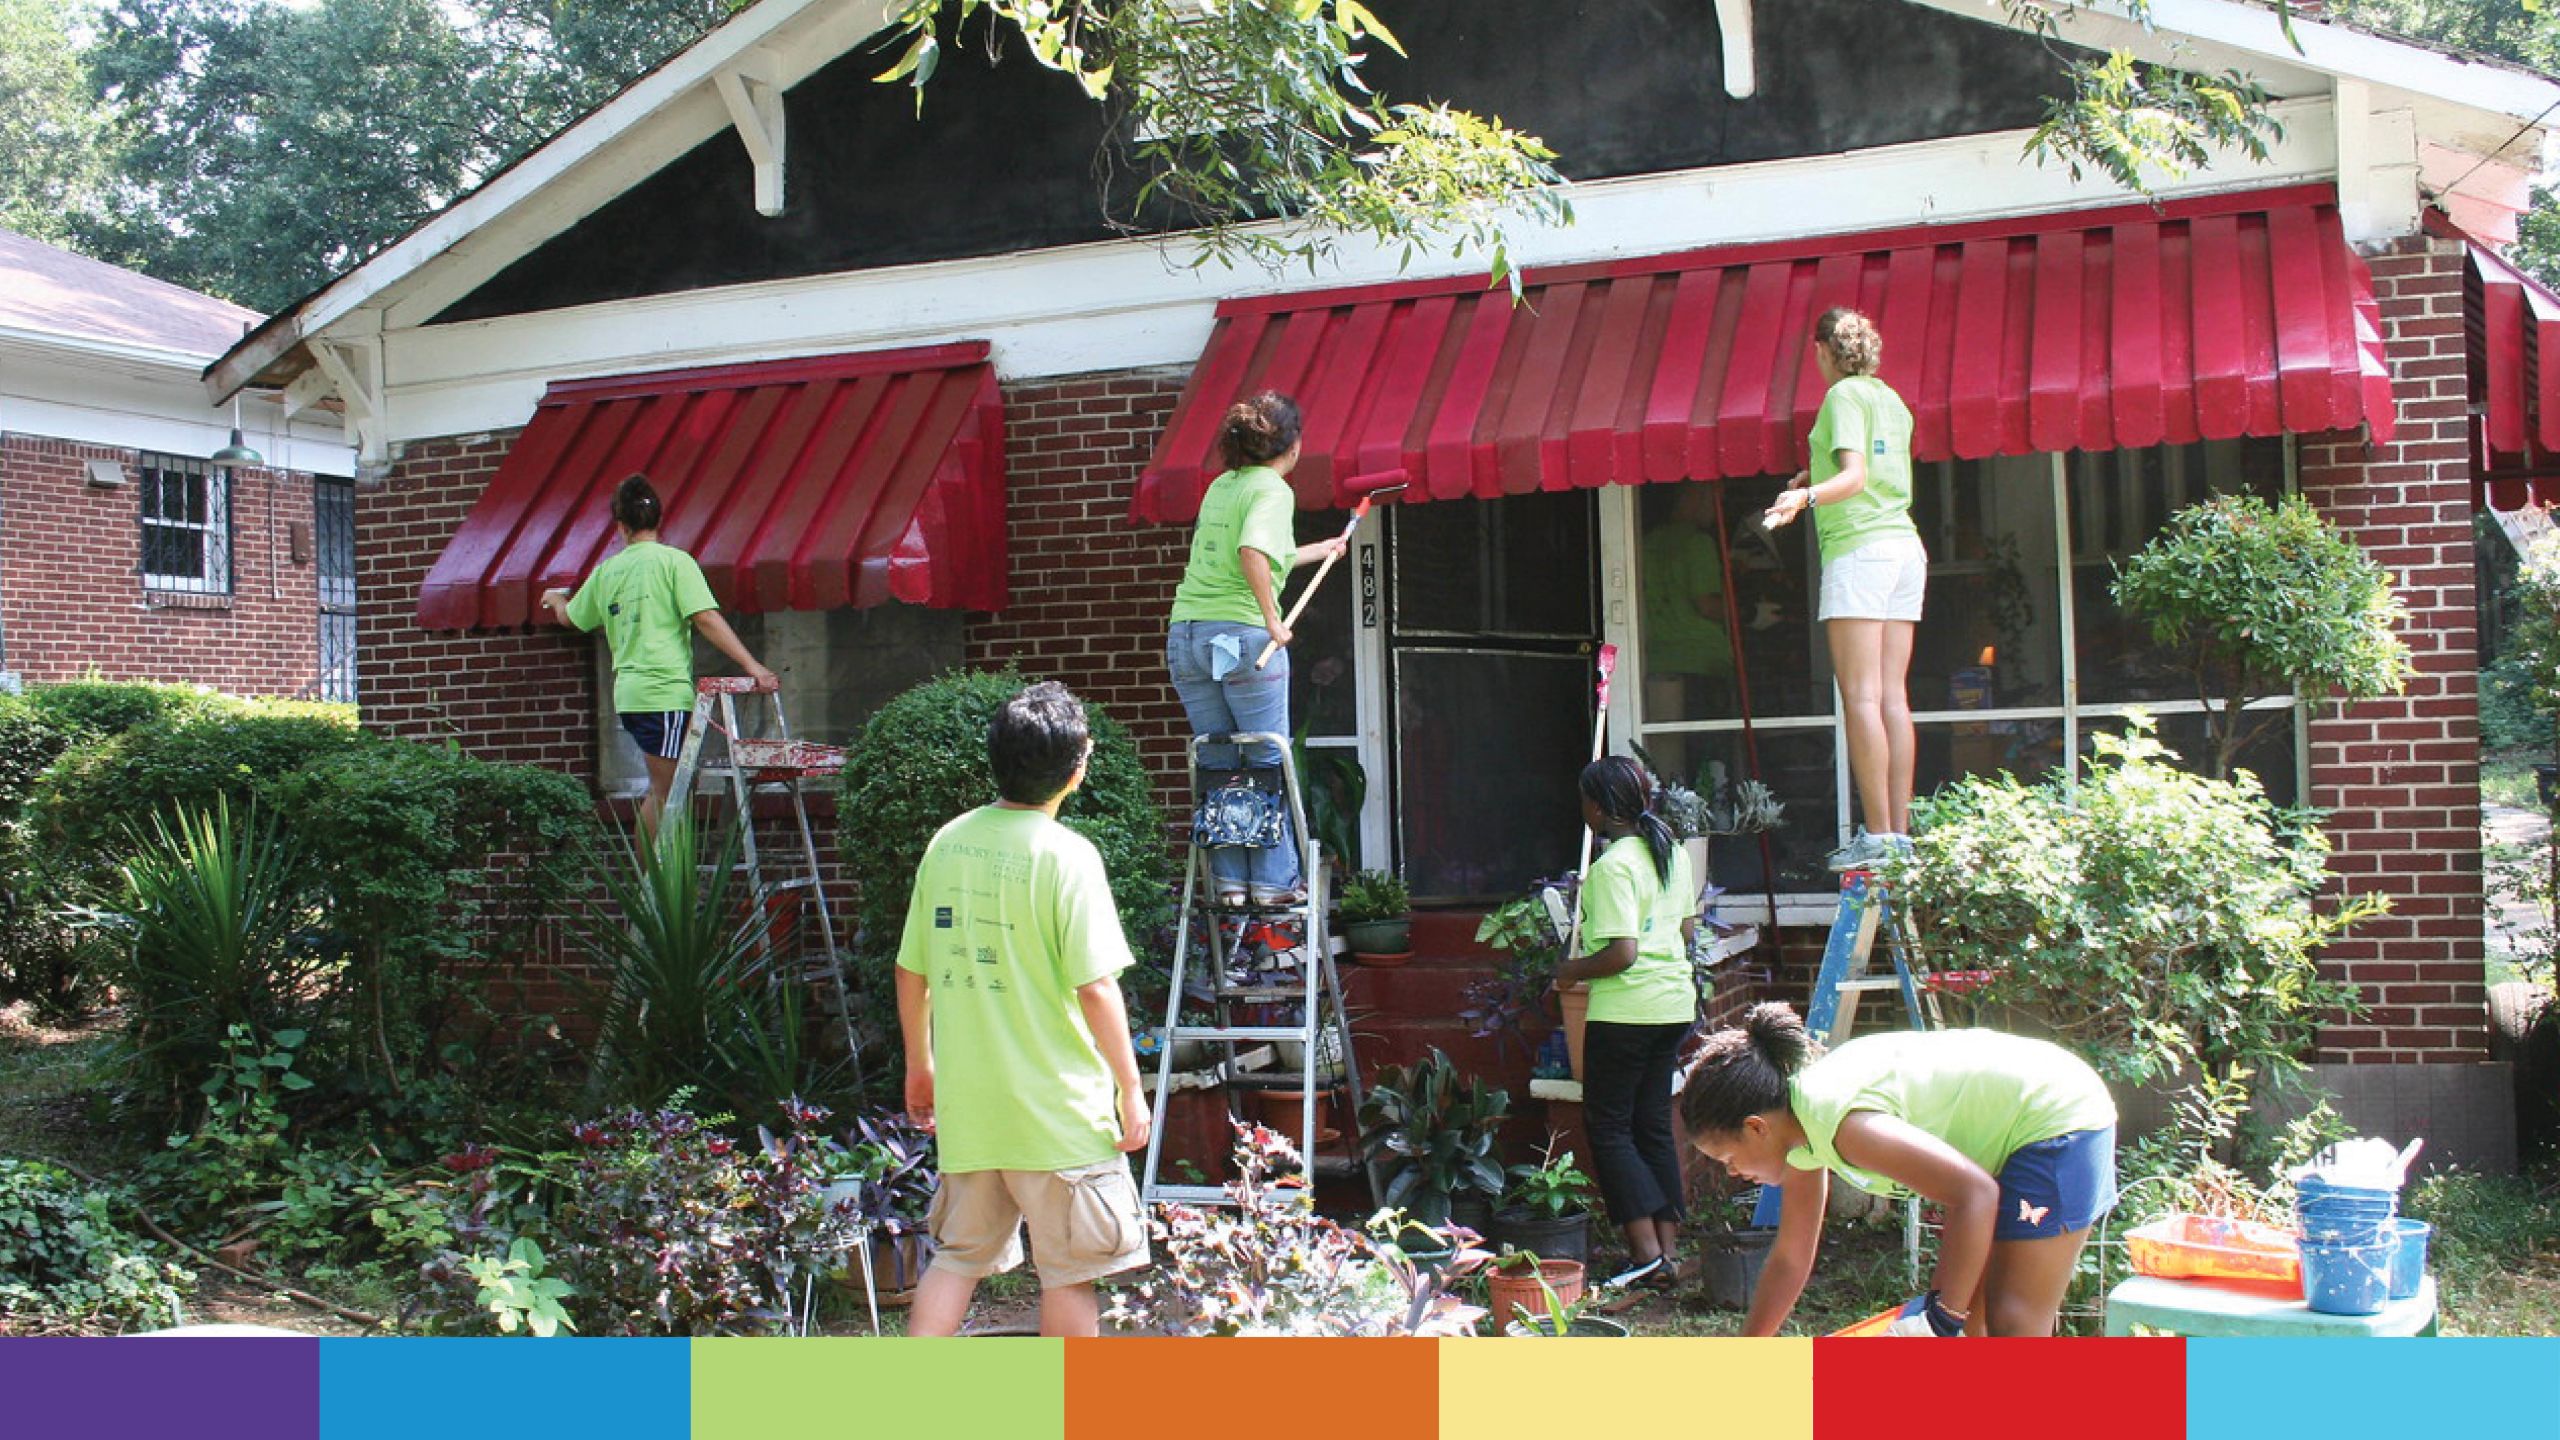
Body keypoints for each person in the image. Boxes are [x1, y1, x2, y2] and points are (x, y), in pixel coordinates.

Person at [895, 681, 1152, 1338]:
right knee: (1069, 1272)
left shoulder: (947, 842)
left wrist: (919, 1067)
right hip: (1057, 1112)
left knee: (956, 1259)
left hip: (971, 1106)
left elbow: (911, 967)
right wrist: (1130, 1088)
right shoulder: (1069, 857)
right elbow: (1096, 987)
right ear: (1077, 768)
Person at [1680, 1002, 2119, 1338]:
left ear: (1756, 1127)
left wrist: (1943, 1315)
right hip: (2010, 1138)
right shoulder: (1797, 1135)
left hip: (2057, 1118)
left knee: (2013, 1321)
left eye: (1728, 1160)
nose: (1735, 1174)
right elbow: (1791, 1258)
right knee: (1971, 1331)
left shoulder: (1843, 1124)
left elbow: (1975, 1195)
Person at [1164, 391, 1348, 905]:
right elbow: (1251, 553)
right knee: (1268, 759)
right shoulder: (1273, 488)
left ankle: (1228, 881)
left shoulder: (1224, 486)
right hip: (1244, 639)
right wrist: (1273, 620)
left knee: (1221, 761)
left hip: (1188, 637)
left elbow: (1265, 554)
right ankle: (1271, 883)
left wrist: (1323, 549)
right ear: (1292, 445)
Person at [1761, 308, 1921, 871]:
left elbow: (1853, 479)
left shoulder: (1842, 398)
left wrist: (1801, 499)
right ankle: (1897, 835)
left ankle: (1876, 839)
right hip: (1904, 547)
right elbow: (1874, 474)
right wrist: (1813, 477)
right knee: (1893, 696)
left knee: (1861, 697)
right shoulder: (1891, 400)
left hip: (1861, 550)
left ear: (1822, 350)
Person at [541, 473, 775, 833]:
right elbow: (706, 617)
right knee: (669, 795)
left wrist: (557, 599)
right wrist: (753, 666)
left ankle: (659, 885)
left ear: (620, 527)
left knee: (670, 791)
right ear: (659, 519)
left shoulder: (607, 571)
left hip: (633, 695)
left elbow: (571, 618)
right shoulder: (675, 563)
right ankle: (656, 888)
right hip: (661, 694)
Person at [1554, 755, 1698, 1290]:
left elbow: (1621, 954)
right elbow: (1684, 931)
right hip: (1672, 1006)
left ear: (1597, 806)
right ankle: (1668, 1251)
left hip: (1627, 1011)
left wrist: (1569, 970)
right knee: (1653, 1124)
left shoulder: (1612, 867)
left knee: (1610, 1127)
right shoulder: (1673, 854)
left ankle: (1644, 1252)